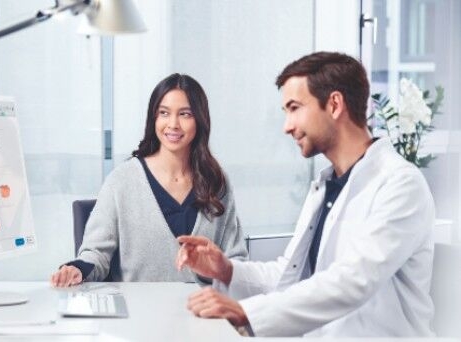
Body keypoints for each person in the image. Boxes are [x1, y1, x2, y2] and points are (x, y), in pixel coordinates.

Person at [175, 52, 435, 337]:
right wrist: (226, 270)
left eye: (294, 108)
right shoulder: (326, 186)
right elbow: (290, 275)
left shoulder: (400, 184)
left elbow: (353, 281)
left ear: (334, 104)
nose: (287, 126)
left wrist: (246, 312)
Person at [51, 73, 248, 286]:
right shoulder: (122, 180)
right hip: (139, 313)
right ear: (154, 118)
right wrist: (76, 269)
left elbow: (236, 259)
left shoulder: (216, 181)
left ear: (199, 120)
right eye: (164, 113)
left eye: (185, 114)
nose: (173, 124)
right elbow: (96, 254)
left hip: (202, 311)